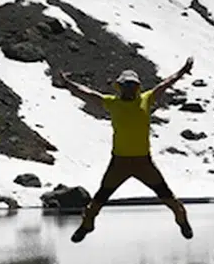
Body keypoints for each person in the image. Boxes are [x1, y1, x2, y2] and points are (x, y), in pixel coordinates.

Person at [58, 58, 196, 243]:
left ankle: (182, 221)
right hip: (119, 163)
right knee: (97, 202)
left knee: (169, 199)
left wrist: (181, 72)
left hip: (143, 162)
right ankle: (86, 226)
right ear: (119, 86)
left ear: (137, 87)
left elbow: (164, 84)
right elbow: (89, 94)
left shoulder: (146, 99)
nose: (129, 88)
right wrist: (68, 84)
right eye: (126, 85)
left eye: (132, 85)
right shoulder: (112, 103)